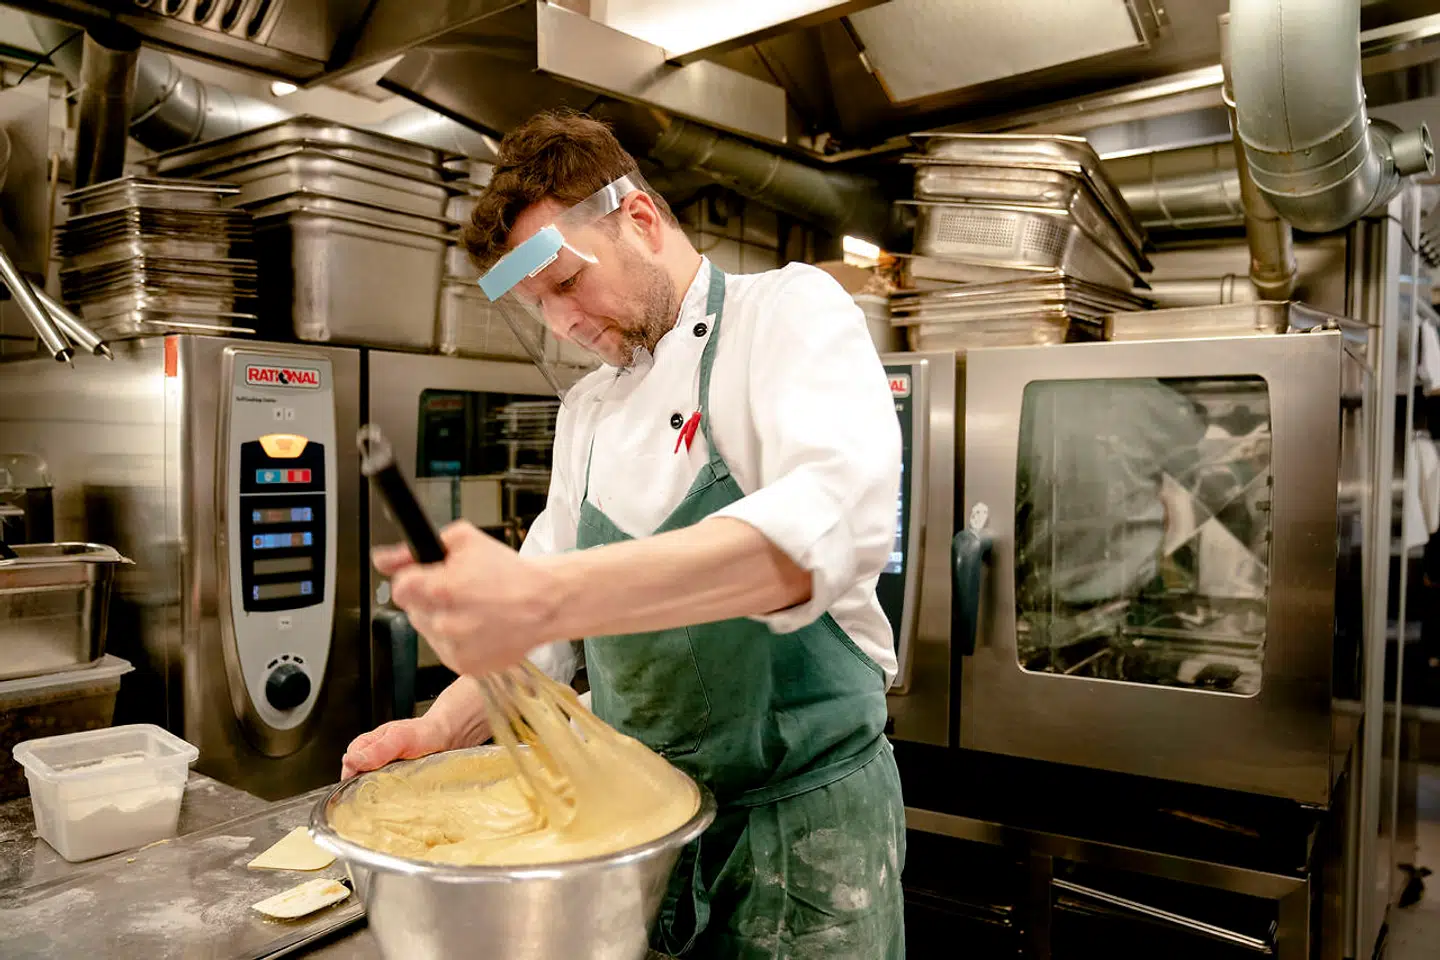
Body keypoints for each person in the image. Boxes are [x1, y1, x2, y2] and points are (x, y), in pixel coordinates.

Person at [342, 110, 906, 959]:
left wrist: (536, 596)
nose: (560, 324)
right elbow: (545, 636)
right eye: (535, 306)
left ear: (639, 219)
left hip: (800, 839)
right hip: (639, 844)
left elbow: (815, 533)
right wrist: (445, 727)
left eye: (565, 282)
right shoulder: (587, 414)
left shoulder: (787, 316)